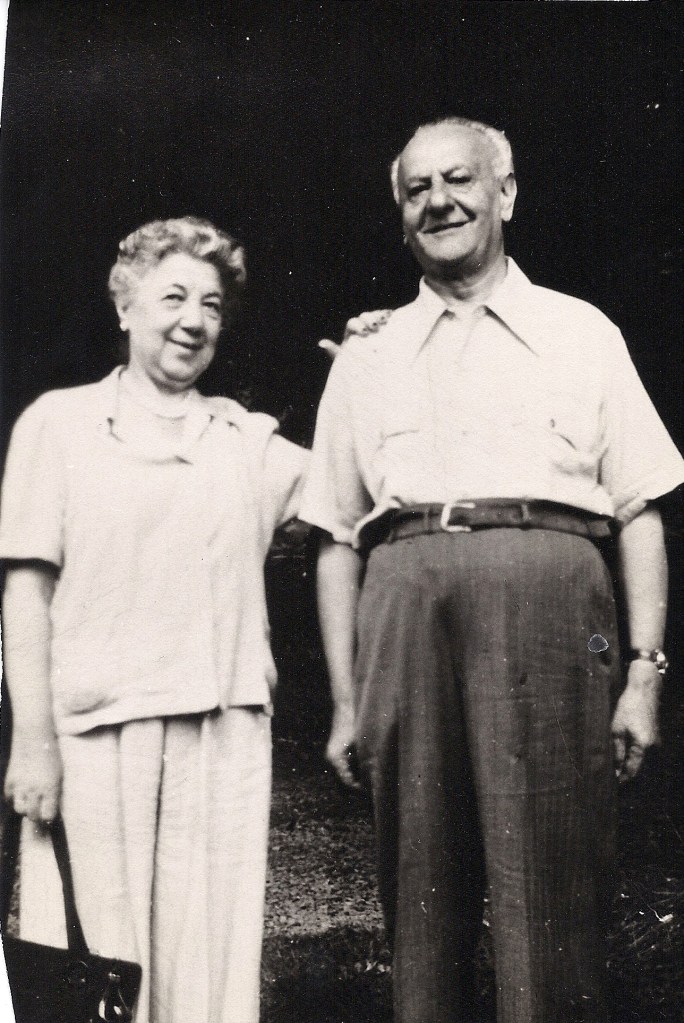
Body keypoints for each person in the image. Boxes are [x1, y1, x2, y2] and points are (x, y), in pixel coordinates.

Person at [299, 117, 684, 1023]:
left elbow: (640, 508)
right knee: (420, 882)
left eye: (459, 180)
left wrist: (644, 674)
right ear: (401, 214)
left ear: (505, 194)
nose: (439, 201)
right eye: (417, 189)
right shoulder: (368, 353)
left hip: (553, 608)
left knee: (552, 877)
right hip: (406, 608)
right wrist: (348, 701)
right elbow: (334, 536)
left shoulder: (582, 332)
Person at [0, 216, 308, 1023]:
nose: (193, 320)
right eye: (173, 297)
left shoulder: (246, 439)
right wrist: (32, 742)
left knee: (210, 964)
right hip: (95, 735)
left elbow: (354, 488)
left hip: (223, 733)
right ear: (125, 305)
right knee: (92, 964)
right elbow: (25, 592)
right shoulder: (58, 425)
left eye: (211, 304)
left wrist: (372, 367)